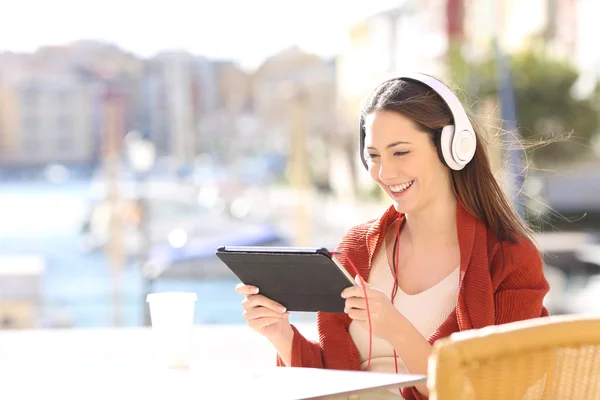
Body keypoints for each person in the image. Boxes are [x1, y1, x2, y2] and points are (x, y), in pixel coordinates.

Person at [235, 73, 550, 399]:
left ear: (453, 147)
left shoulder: (510, 258)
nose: (384, 173)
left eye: (400, 152)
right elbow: (334, 379)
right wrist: (280, 334)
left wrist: (397, 329)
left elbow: (492, 391)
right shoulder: (356, 249)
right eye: (373, 156)